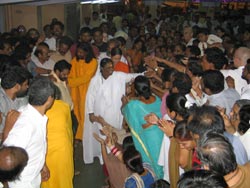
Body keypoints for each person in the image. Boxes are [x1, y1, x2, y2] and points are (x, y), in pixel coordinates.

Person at [83, 58, 142, 164]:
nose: (111, 69)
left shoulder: (118, 76)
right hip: (100, 114)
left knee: (115, 136)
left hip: (115, 112)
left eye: (112, 67)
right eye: (108, 68)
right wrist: (91, 113)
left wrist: (144, 73)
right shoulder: (95, 80)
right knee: (103, 134)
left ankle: (115, 156)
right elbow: (90, 97)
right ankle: (104, 158)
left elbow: (132, 76)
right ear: (101, 69)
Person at [3, 76, 55, 188]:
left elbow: (35, 145)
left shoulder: (36, 116)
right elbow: (6, 155)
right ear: (50, 99)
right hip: (23, 182)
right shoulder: (26, 124)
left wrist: (42, 165)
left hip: (33, 177)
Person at [122, 75, 164, 179]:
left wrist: (125, 102)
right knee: (163, 161)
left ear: (135, 89)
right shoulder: (157, 99)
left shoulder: (133, 105)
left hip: (150, 139)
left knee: (154, 163)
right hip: (162, 135)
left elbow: (125, 112)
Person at [41, 86, 74, 188]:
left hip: (44, 154)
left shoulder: (38, 108)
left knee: (48, 181)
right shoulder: (64, 107)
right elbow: (69, 131)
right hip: (62, 151)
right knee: (64, 180)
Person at [68, 42, 97, 141]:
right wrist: (71, 82)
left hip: (87, 91)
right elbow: (70, 75)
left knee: (84, 113)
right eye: (78, 52)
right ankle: (79, 135)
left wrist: (71, 82)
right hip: (75, 91)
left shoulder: (93, 62)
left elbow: (86, 77)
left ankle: (83, 136)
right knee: (76, 113)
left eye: (81, 52)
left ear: (87, 52)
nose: (79, 54)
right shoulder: (74, 61)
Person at [0, 66, 31, 141]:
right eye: (25, 84)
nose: (27, 87)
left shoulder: (23, 99)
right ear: (17, 87)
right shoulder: (1, 99)